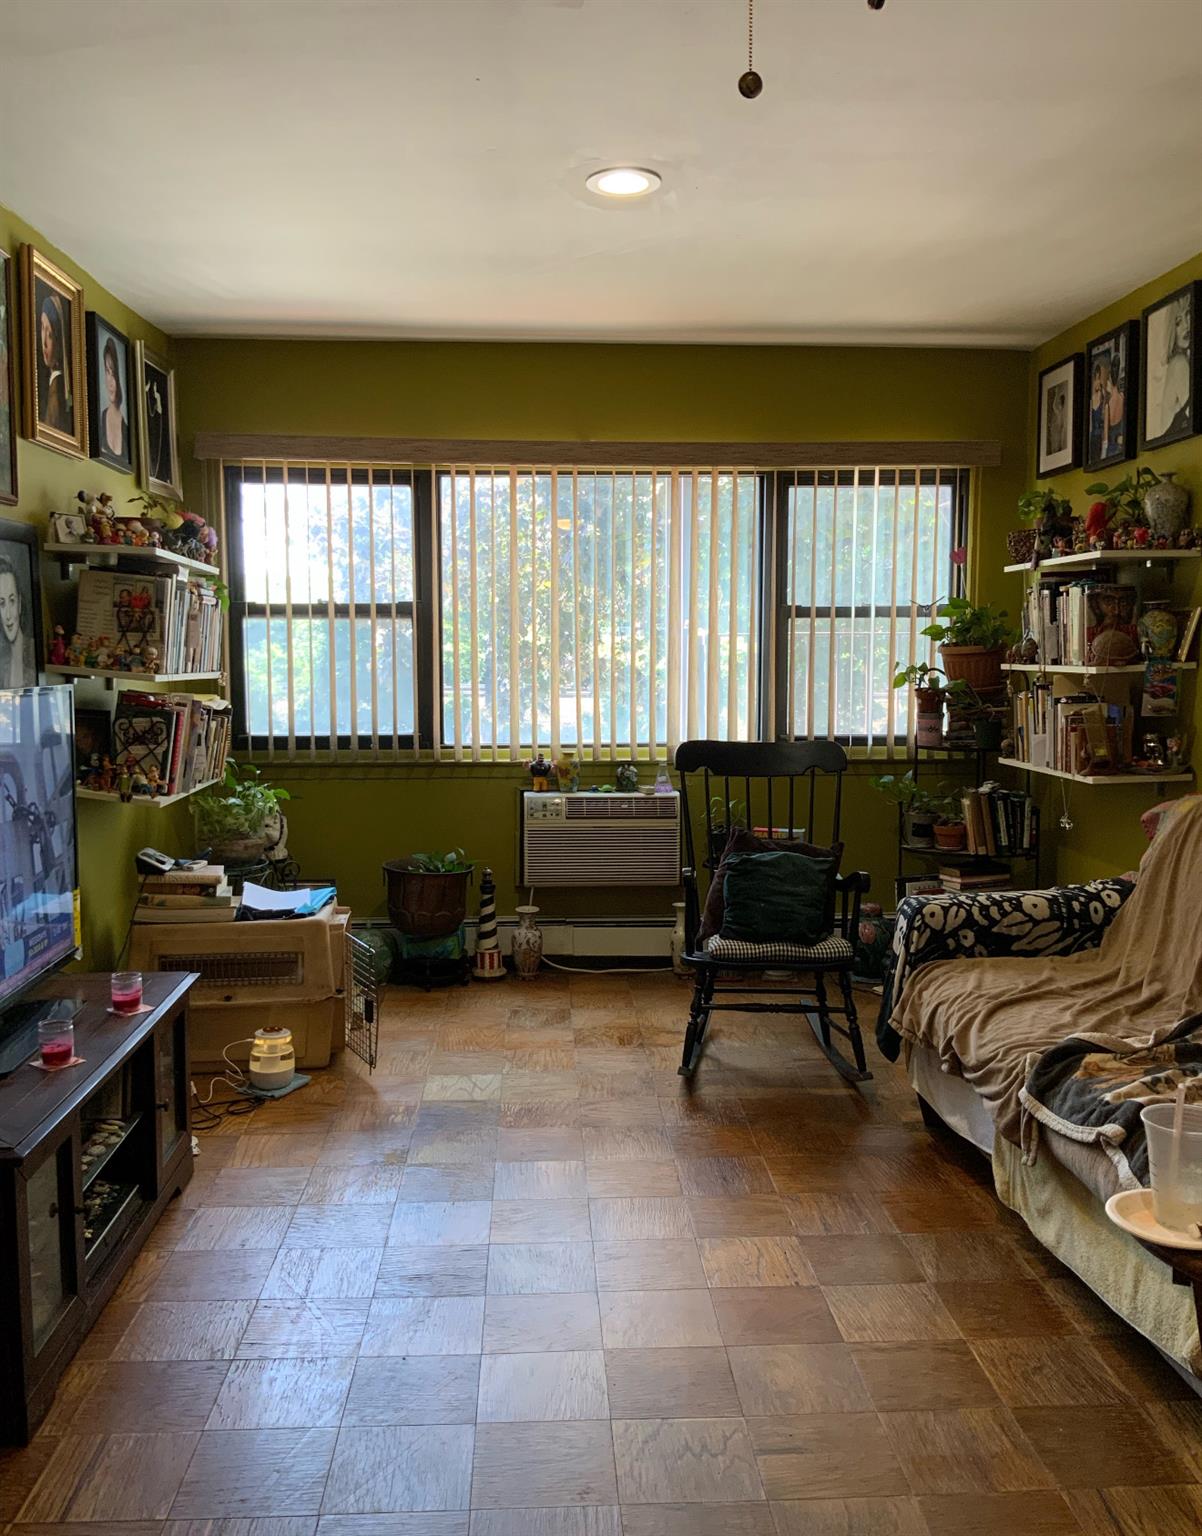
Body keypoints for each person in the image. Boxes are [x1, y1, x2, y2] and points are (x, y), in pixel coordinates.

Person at [38, 292, 71, 433]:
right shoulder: (52, 383)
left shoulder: (56, 389)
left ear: (58, 340)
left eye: (50, 335)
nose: (44, 342)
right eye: (42, 328)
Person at [0, 554, 35, 687]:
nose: (8, 615)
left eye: (12, 601)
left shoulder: (33, 651)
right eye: (1, 604)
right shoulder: (2, 660)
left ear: (20, 604)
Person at [100, 335, 129, 463]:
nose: (111, 382)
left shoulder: (126, 430)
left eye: (114, 373)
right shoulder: (101, 419)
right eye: (107, 372)